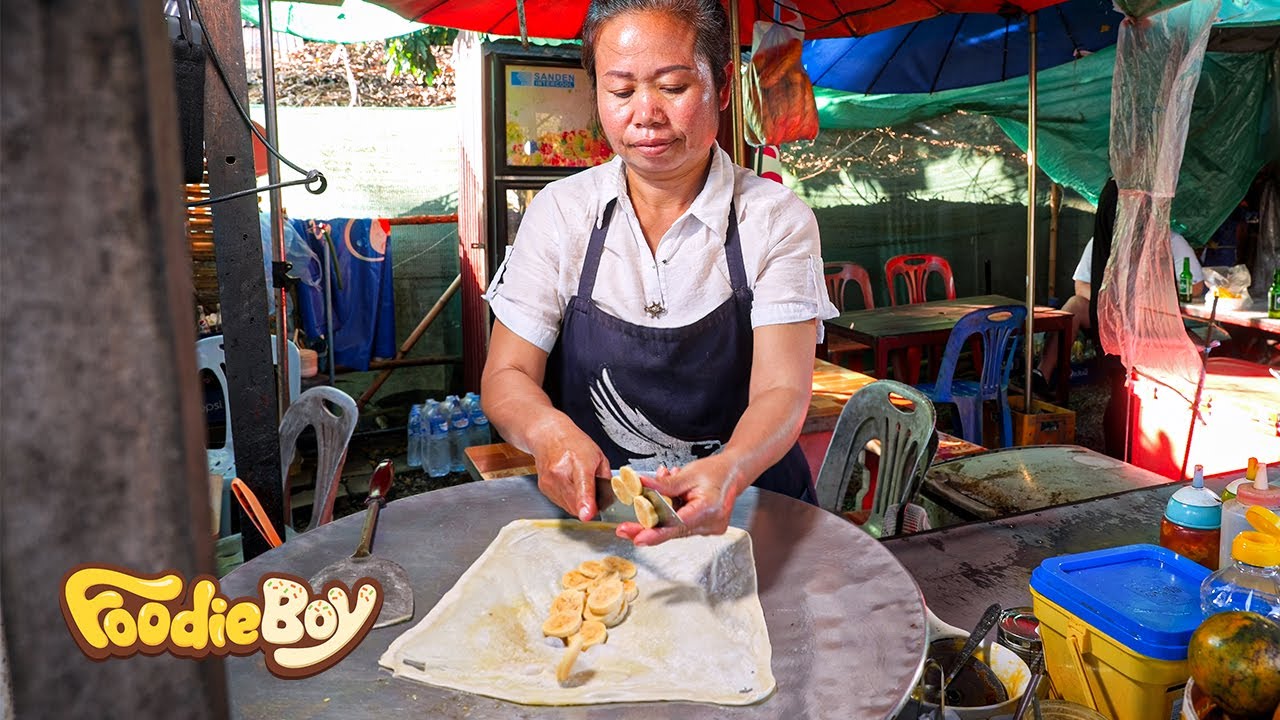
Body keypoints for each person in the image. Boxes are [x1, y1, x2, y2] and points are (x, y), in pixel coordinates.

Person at [480, 0, 838, 547]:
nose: (645, 114)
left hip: (752, 514)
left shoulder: (774, 219)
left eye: (672, 87)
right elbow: (507, 376)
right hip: (602, 523)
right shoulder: (561, 213)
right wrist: (546, 430)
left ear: (720, 88)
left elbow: (783, 389)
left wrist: (733, 468)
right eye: (620, 91)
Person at [1033, 179, 1205, 392]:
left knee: (1191, 341)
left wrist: (1156, 294)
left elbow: (1195, 286)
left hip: (1152, 317)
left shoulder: (1172, 242)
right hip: (1108, 315)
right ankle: (1042, 374)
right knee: (1074, 305)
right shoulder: (1103, 241)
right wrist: (1111, 301)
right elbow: (1081, 285)